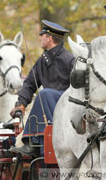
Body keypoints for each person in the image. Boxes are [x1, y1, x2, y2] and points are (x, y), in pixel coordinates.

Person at [10, 20, 75, 156]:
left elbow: (76, 88)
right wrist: (21, 104)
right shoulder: (42, 60)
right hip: (46, 108)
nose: (40, 38)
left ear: (49, 38)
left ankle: (32, 142)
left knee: (45, 94)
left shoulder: (69, 59)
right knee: (44, 95)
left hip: (66, 106)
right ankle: (36, 142)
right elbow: (29, 83)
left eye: (42, 35)